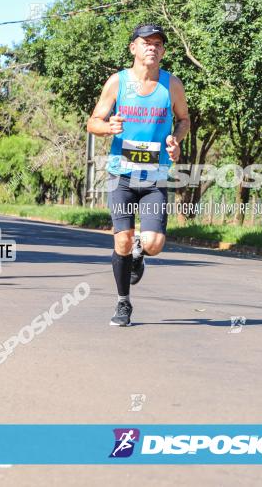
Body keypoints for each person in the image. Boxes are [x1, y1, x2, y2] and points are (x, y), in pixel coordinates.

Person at [86, 22, 190, 326]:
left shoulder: (172, 85)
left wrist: (176, 141)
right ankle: (123, 303)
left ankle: (140, 254)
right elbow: (93, 122)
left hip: (155, 177)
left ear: (163, 51)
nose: (152, 48)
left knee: (154, 243)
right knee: (122, 239)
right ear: (133, 47)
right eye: (146, 42)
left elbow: (183, 120)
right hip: (122, 175)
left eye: (158, 44)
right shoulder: (117, 83)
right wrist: (108, 127)